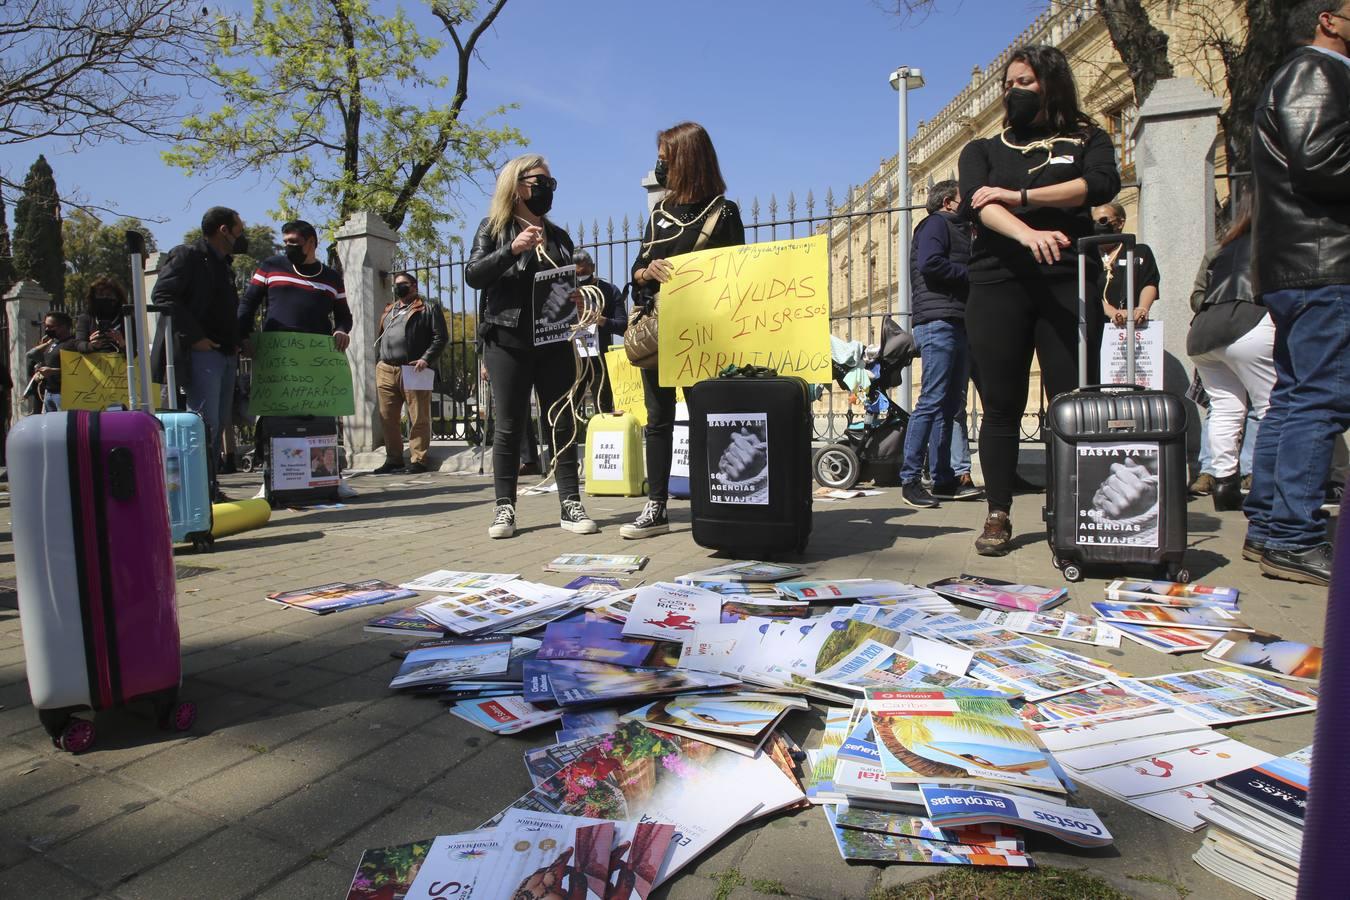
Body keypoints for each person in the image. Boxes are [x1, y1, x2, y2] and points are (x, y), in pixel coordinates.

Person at [957, 44, 1121, 556]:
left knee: (1071, 404)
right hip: (997, 281)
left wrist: (1022, 197)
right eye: (1008, 84)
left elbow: (1098, 185)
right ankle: (998, 514)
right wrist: (1026, 232)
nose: (1013, 91)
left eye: (1024, 82)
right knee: (1001, 405)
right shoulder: (982, 149)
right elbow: (978, 206)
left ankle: (1074, 509)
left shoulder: (1088, 137)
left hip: (1066, 282)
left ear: (1051, 84)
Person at [1242, 1, 1350, 586]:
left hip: (1300, 263)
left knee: (1292, 396)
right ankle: (1291, 535)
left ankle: (1270, 527)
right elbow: (1322, 163)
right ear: (1328, 19)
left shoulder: (1303, 74)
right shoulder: (1319, 72)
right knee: (1321, 397)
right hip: (1322, 261)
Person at [622, 121, 745, 540]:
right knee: (658, 419)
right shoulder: (658, 212)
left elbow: (738, 275)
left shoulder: (723, 212)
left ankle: (712, 500)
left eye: (664, 159)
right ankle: (656, 506)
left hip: (704, 332)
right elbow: (637, 269)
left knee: (704, 416)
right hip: (660, 328)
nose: (659, 166)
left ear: (686, 160)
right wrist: (645, 272)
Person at [465, 153, 597, 539]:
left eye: (550, 183)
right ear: (516, 185)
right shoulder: (493, 228)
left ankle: (570, 503)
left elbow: (563, 283)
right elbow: (474, 274)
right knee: (509, 426)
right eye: (539, 181)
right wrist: (513, 249)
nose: (547, 189)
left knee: (562, 422)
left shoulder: (559, 236)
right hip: (507, 341)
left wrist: (574, 299)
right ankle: (505, 507)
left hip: (554, 342)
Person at [152, 205, 248, 501]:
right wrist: (196, 338)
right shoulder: (188, 255)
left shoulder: (223, 264)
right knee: (202, 424)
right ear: (224, 229)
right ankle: (197, 491)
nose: (242, 233)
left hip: (225, 353)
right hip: (203, 354)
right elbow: (162, 295)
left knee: (216, 424)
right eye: (238, 228)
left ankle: (209, 488)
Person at [1186, 197, 1274, 513]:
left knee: (1225, 408)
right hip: (1250, 322)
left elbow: (1197, 295)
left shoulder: (1220, 249)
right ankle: (1269, 485)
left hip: (1204, 332)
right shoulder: (1274, 242)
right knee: (1272, 406)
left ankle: (1224, 483)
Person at [899, 179, 981, 507]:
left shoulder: (959, 228)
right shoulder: (935, 224)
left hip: (957, 321)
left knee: (951, 405)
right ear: (948, 201)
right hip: (938, 323)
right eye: (964, 198)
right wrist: (970, 274)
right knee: (931, 401)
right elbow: (930, 263)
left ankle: (944, 478)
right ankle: (910, 479)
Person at [373, 271, 448, 475]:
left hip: (414, 368)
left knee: (418, 417)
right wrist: (379, 360)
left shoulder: (428, 307)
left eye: (403, 284)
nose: (398, 287)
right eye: (396, 284)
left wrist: (426, 358)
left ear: (414, 286)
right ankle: (394, 459)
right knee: (387, 417)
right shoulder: (390, 309)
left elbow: (440, 337)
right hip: (386, 368)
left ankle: (419, 460)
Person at [1090, 202, 1160, 383]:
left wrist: (1141, 309)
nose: (1099, 226)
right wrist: (1111, 312)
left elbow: (1150, 282)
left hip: (1131, 327)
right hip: (1096, 327)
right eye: (1094, 221)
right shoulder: (1087, 256)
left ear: (1120, 222)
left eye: (1104, 220)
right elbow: (1084, 290)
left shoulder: (1138, 251)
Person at [571, 249, 628, 415]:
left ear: (593, 268)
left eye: (584, 272)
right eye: (576, 274)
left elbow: (623, 326)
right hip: (572, 361)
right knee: (568, 410)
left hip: (599, 361)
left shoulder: (609, 291)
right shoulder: (565, 291)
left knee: (602, 408)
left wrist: (600, 320)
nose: (581, 277)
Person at [26, 312, 78, 412]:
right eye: (46, 326)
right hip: (49, 392)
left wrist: (53, 371)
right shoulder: (53, 343)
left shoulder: (73, 344)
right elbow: (30, 354)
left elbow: (79, 370)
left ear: (64, 327)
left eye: (51, 327)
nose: (47, 330)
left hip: (64, 394)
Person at [74, 277, 128, 354]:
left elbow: (135, 350)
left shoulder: (126, 318)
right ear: (93, 297)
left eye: (109, 295)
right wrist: (91, 345)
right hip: (94, 363)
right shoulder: (86, 317)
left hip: (121, 364)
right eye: (100, 295)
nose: (105, 298)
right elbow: (78, 344)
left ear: (117, 297)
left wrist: (122, 343)